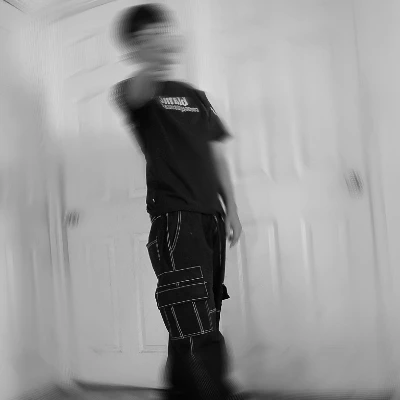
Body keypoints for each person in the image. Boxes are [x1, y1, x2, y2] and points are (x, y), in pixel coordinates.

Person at [111, 4, 243, 400]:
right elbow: (138, 91)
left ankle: (181, 392)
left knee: (202, 314)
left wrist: (232, 210)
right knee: (194, 323)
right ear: (134, 47)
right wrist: (151, 61)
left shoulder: (195, 96)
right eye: (147, 36)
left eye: (161, 32)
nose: (158, 40)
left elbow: (216, 155)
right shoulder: (135, 91)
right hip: (176, 220)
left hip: (211, 217)